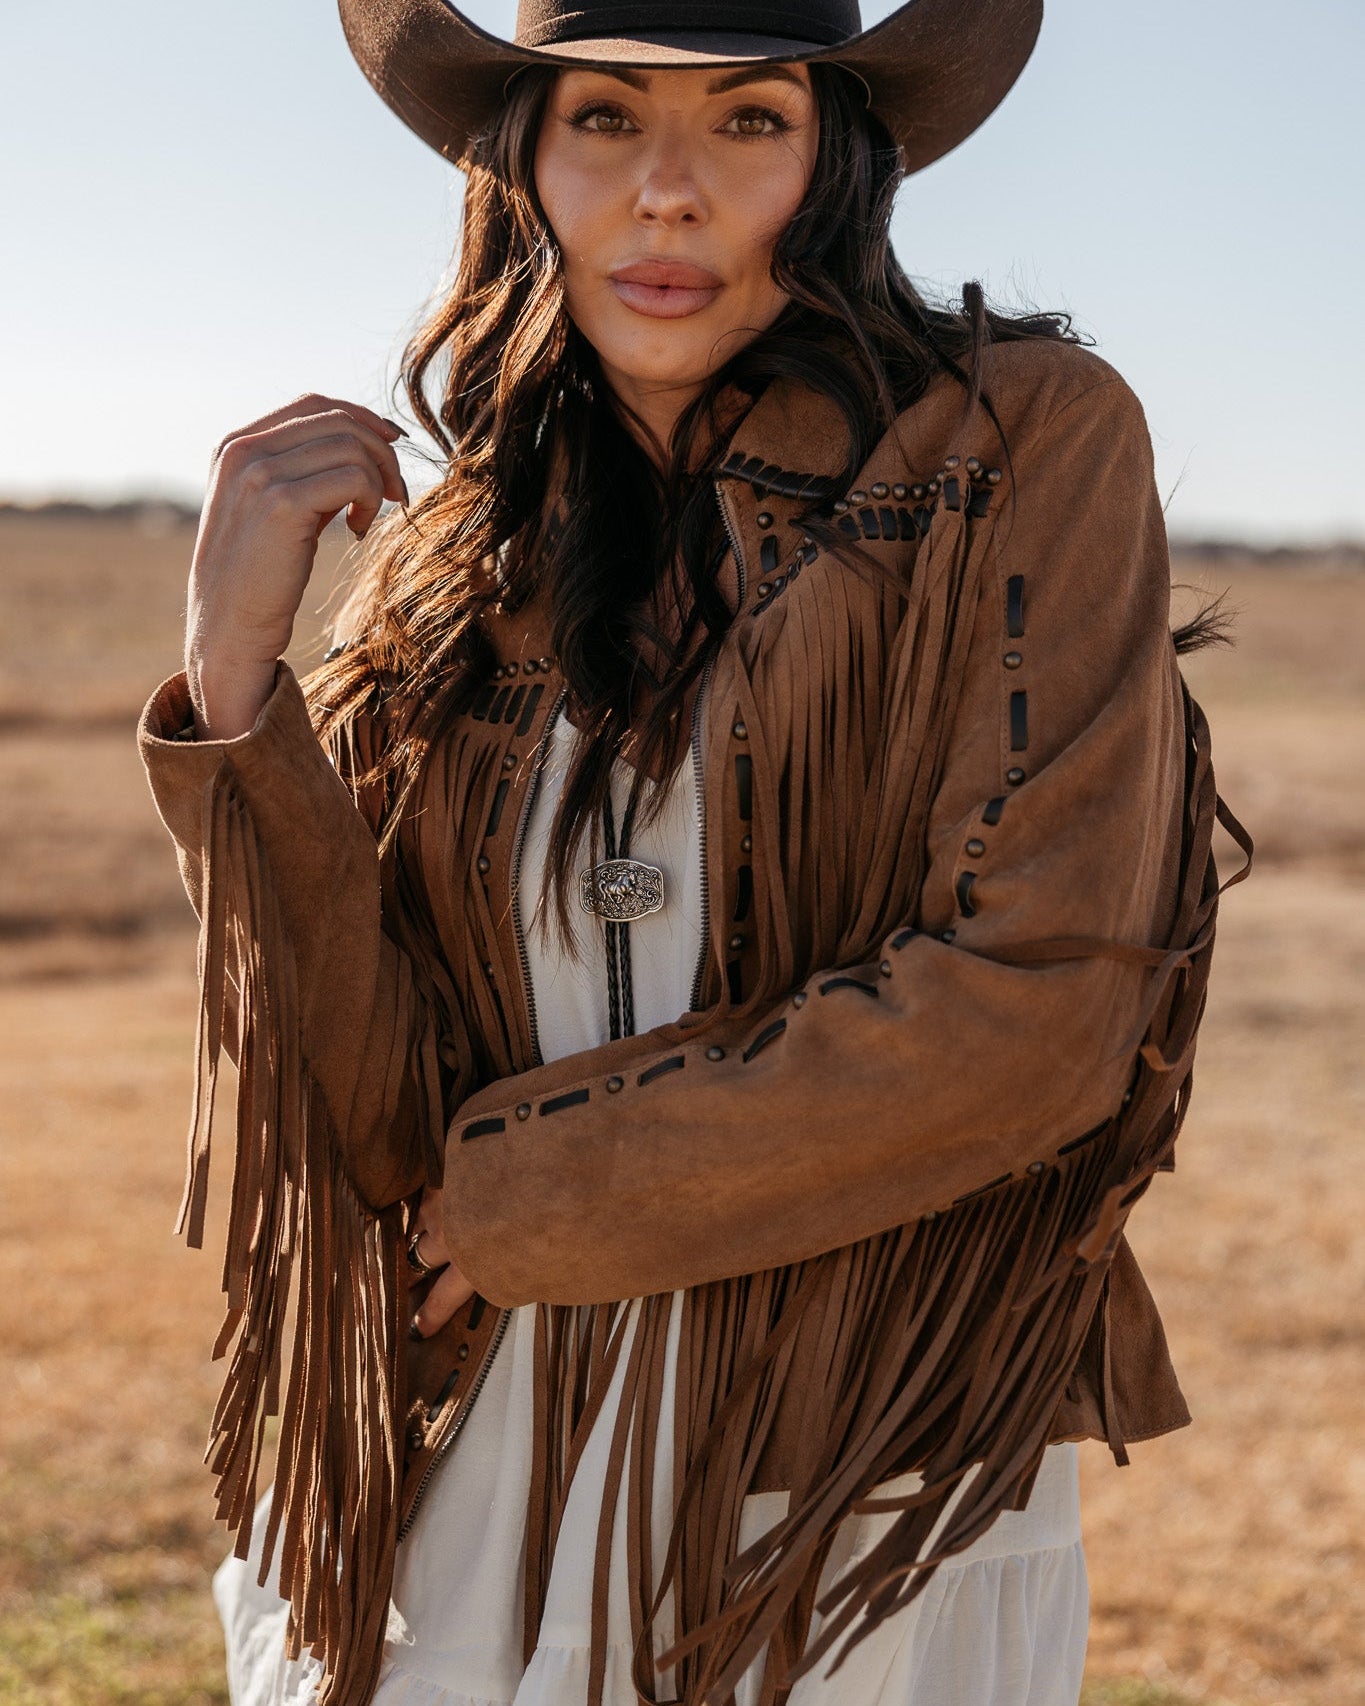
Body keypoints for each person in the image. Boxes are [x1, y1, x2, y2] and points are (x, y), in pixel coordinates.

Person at [136, 2, 1252, 1704]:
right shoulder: (460, 549)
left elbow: (1039, 1000)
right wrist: (231, 687)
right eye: (603, 117)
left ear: (835, 161)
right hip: (467, 1481)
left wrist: (542, 1194)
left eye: (746, 121)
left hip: (838, 1483)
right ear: (521, 163)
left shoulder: (1008, 445)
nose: (668, 189)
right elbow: (373, 1122)